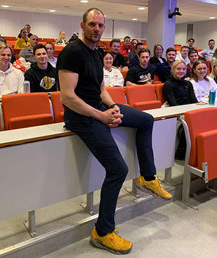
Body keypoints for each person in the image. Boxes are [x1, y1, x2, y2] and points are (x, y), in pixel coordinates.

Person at [57, 7, 172, 255]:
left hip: (100, 109)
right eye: (92, 25)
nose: (97, 29)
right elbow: (67, 97)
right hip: (81, 117)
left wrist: (113, 109)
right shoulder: (71, 52)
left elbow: (101, 90)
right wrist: (102, 115)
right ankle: (103, 232)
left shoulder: (98, 53)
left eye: (100, 25)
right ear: (82, 25)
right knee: (118, 169)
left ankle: (148, 178)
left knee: (145, 120)